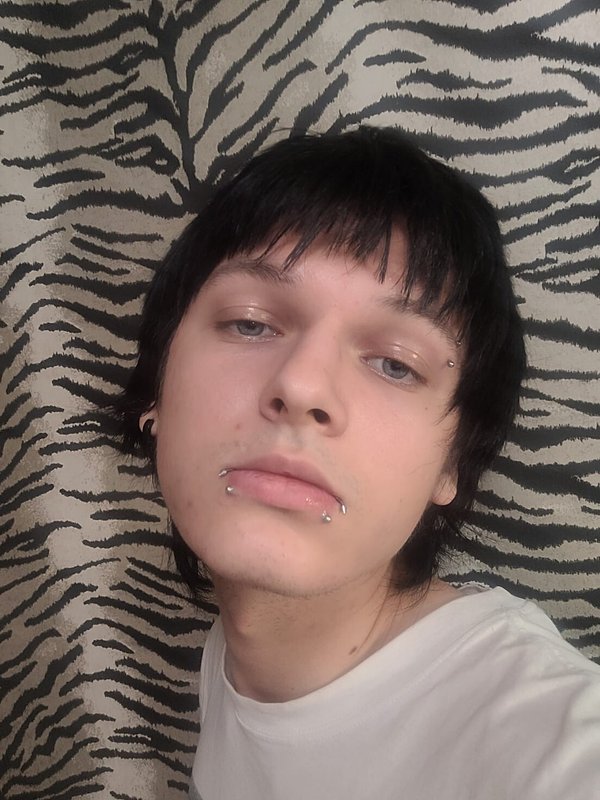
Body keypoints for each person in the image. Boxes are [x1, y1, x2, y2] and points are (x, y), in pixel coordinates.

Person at [111, 127, 600, 799]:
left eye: (395, 364)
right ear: (156, 393)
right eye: (251, 322)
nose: (302, 385)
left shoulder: (543, 739)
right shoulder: (235, 651)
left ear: (452, 465)